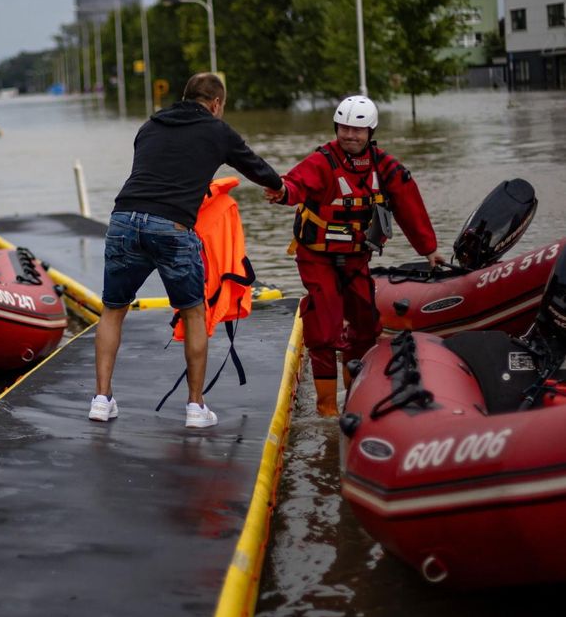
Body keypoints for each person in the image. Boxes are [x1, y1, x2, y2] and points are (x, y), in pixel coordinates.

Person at [90, 72, 283, 428]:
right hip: (172, 227)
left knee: (112, 310)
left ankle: (102, 399)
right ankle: (196, 407)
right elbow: (254, 166)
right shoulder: (216, 130)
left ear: (184, 97)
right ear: (216, 104)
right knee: (194, 312)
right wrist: (281, 189)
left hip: (123, 219)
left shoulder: (150, 126)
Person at [264, 95, 444, 416]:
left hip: (356, 258)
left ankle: (354, 396)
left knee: (365, 324)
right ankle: (326, 409)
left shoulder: (384, 166)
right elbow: (294, 184)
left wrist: (429, 250)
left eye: (358, 130)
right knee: (325, 326)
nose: (350, 135)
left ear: (371, 133)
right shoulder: (322, 161)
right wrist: (282, 193)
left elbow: (409, 206)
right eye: (344, 128)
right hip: (317, 257)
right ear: (336, 127)